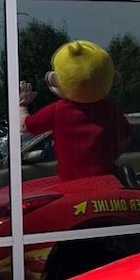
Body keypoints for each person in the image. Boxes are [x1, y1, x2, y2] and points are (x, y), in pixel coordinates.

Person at [19, 40, 131, 181]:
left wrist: (22, 105)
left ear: (56, 79)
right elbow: (125, 138)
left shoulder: (58, 109)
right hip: (105, 180)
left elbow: (25, 126)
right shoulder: (111, 109)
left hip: (72, 183)